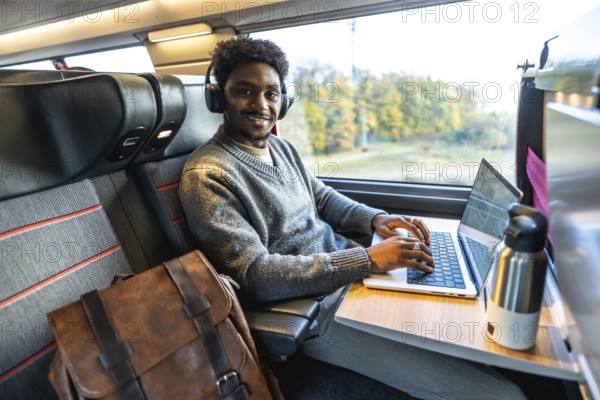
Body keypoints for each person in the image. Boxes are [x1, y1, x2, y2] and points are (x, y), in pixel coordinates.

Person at [180, 37, 526, 400]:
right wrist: (367, 259)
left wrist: (376, 220)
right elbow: (255, 276)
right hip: (313, 311)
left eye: (272, 93)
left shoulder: (282, 148)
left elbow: (322, 197)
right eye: (245, 92)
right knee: (504, 395)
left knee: (482, 336)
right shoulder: (208, 174)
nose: (261, 104)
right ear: (219, 98)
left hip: (353, 278)